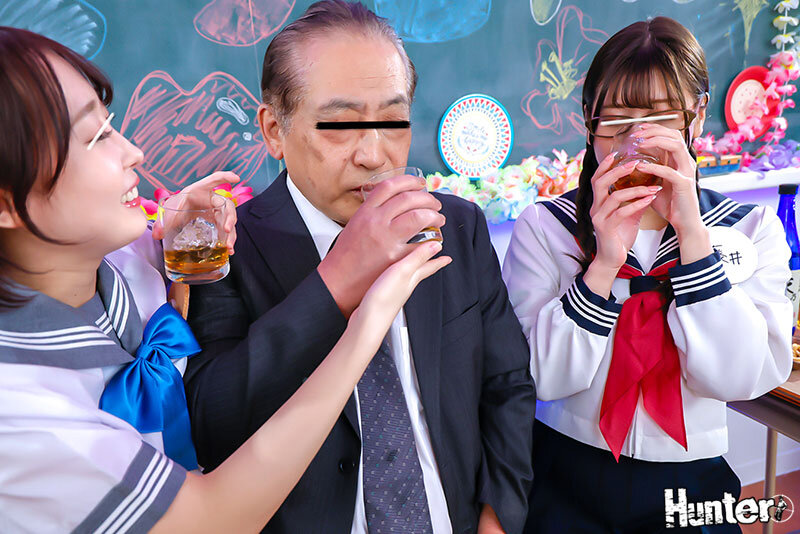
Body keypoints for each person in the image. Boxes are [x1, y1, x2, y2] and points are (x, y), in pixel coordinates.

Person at [0, 26, 450, 533]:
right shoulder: (19, 413)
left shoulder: (129, 260)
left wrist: (178, 248)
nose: (133, 152)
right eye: (94, 137)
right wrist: (363, 318)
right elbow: (211, 518)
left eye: (112, 125)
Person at [184, 1, 536, 533]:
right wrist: (336, 282)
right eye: (340, 125)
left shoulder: (456, 225)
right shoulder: (229, 246)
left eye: (393, 121)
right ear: (274, 130)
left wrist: (496, 520)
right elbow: (214, 425)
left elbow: (506, 384)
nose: (374, 154)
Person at [502, 17, 793, 533]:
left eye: (659, 120)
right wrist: (602, 266)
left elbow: (742, 377)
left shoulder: (750, 229)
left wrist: (694, 242)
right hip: (563, 470)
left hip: (693, 481)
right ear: (587, 120)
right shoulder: (545, 227)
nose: (635, 142)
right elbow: (537, 377)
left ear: (696, 116)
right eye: (615, 122)